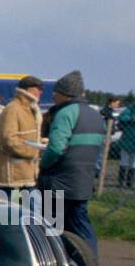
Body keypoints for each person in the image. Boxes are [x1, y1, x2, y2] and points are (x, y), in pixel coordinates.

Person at [37, 70, 106, 256]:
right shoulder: (95, 116)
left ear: (66, 93)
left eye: (56, 91)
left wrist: (43, 164)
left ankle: (52, 263)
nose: (53, 95)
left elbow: (56, 148)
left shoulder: (65, 113)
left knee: (51, 226)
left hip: (60, 181)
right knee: (82, 225)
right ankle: (90, 263)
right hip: (83, 182)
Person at [0, 75, 45, 212]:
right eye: (38, 89)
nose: (41, 92)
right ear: (28, 90)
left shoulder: (31, 110)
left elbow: (27, 137)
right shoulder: (13, 109)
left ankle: (33, 232)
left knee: (34, 213)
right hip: (12, 173)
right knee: (6, 213)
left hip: (28, 173)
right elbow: (8, 140)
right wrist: (34, 150)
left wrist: (41, 143)